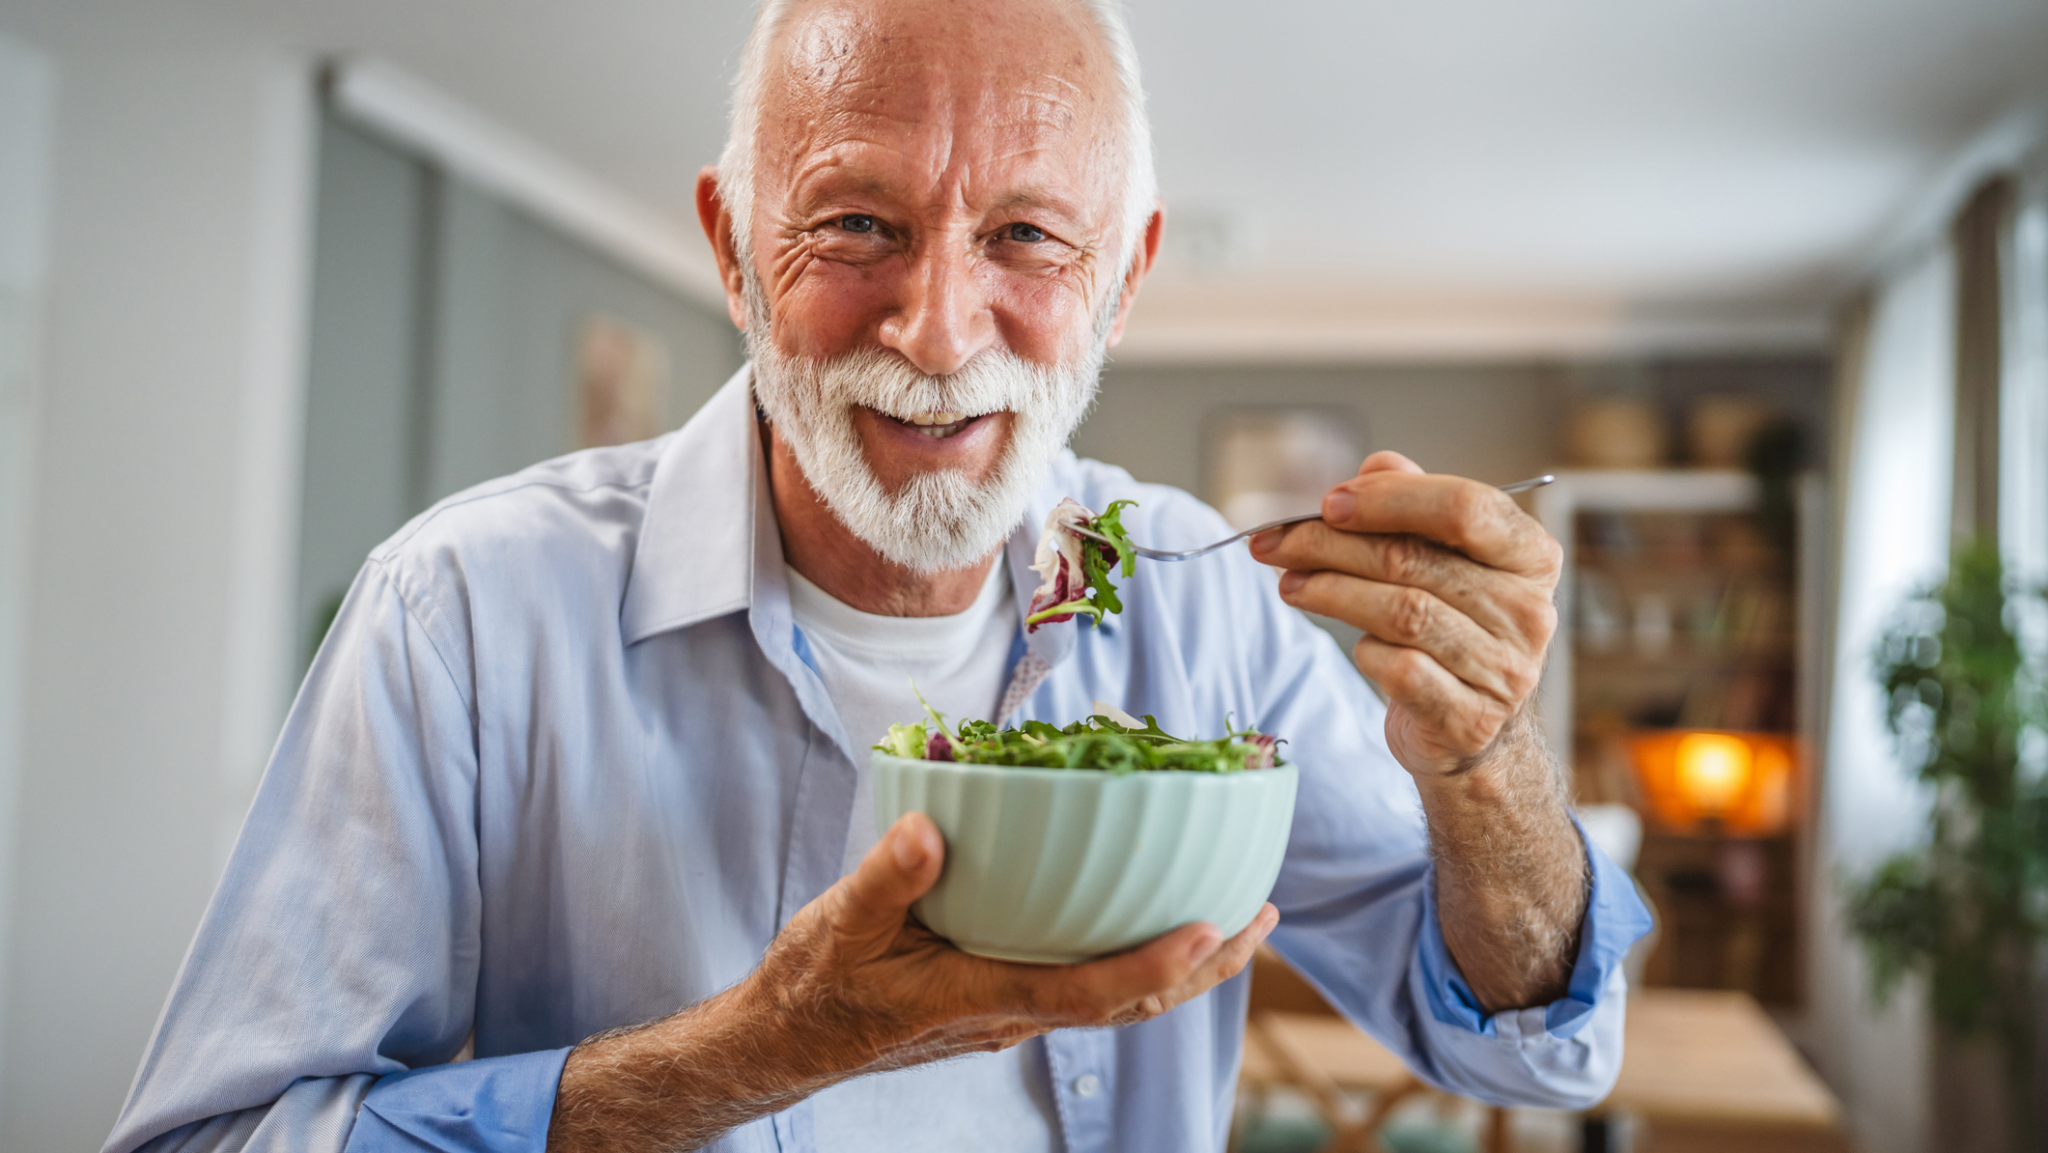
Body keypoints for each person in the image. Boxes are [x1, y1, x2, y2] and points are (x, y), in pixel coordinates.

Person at [105, 1, 1650, 1150]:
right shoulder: (465, 619)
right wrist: (753, 1051)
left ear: (1124, 280)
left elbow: (1535, 1055)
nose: (938, 330)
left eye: (1031, 239)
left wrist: (1485, 758)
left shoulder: (1206, 606)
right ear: (729, 248)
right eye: (858, 222)